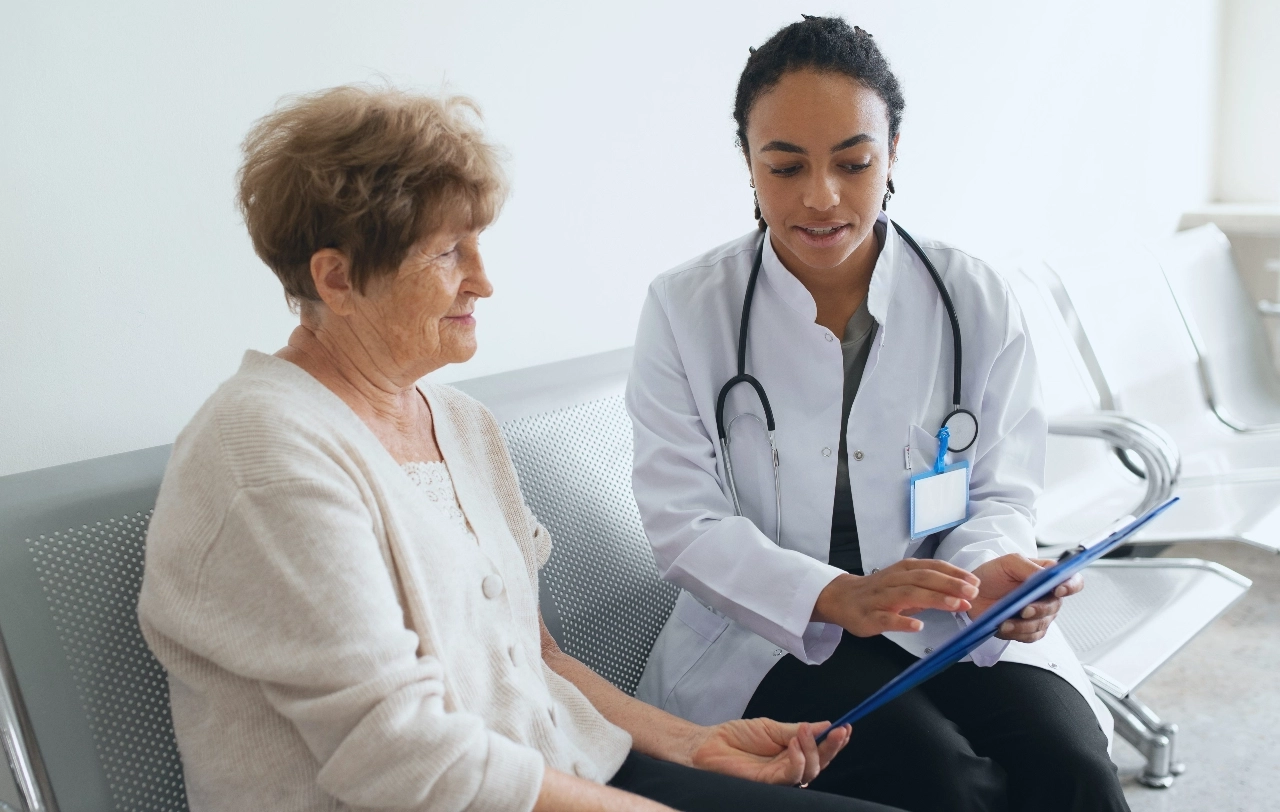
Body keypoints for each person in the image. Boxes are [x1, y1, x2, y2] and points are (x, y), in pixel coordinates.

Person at [136, 85, 910, 812]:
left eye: (477, 244)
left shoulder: (459, 422)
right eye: (447, 254)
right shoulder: (265, 454)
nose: (483, 281)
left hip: (559, 774)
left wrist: (694, 746)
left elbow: (533, 657)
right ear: (336, 279)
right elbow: (399, 758)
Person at [626, 17, 1128, 812]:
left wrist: (989, 572)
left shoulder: (974, 298)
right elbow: (682, 521)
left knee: (1074, 770)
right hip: (775, 627)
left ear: (893, 154)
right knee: (939, 779)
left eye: (853, 163)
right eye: (784, 166)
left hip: (946, 613)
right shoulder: (688, 309)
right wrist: (832, 594)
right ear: (750, 166)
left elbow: (1002, 492)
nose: (819, 197)